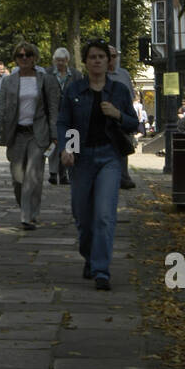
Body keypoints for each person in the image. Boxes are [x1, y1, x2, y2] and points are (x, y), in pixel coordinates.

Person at [58, 38, 140, 290]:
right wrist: (67, 148)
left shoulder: (119, 91)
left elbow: (133, 123)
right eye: (92, 57)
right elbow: (65, 122)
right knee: (82, 215)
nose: (97, 61)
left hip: (110, 157)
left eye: (101, 57)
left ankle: (101, 270)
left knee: (104, 215)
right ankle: (90, 256)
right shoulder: (74, 90)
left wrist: (117, 114)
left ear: (109, 61)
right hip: (82, 158)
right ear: (85, 61)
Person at [0, 42, 60, 230]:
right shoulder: (9, 81)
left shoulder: (45, 80)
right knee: (18, 179)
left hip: (38, 133)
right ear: (15, 59)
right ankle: (28, 208)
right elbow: (0, 108)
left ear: (34, 58)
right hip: (16, 134)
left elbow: (53, 109)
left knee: (33, 175)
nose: (24, 58)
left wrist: (55, 134)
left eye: (28, 55)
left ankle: (27, 216)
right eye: (20, 55)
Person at [107, 46, 137, 189]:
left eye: (114, 56)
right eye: (110, 56)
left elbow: (130, 97)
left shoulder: (124, 74)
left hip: (121, 118)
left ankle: (123, 177)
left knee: (123, 149)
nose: (112, 59)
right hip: (105, 121)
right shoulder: (99, 75)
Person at [47, 48, 76, 185]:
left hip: (71, 113)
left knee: (70, 142)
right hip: (52, 112)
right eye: (57, 61)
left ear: (67, 61)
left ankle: (65, 173)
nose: (60, 63)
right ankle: (53, 173)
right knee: (53, 142)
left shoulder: (75, 75)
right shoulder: (48, 74)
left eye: (63, 61)